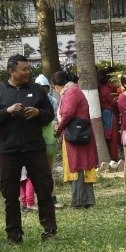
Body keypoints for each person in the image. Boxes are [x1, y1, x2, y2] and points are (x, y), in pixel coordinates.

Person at [0, 55, 58, 244]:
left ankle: (50, 231)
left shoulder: (36, 89)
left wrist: (38, 113)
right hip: (9, 150)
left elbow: (49, 115)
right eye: (23, 69)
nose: (27, 72)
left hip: (35, 148)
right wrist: (7, 111)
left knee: (44, 189)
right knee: (9, 193)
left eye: (28, 69)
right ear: (12, 71)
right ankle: (14, 235)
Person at [53, 71, 99, 209]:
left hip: (76, 135)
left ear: (57, 85)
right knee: (82, 166)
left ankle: (78, 202)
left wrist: (58, 129)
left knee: (77, 166)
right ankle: (87, 200)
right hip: (80, 133)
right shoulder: (74, 89)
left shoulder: (71, 91)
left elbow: (67, 114)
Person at [97, 70, 122, 167]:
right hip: (109, 113)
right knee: (112, 136)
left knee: (107, 135)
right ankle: (113, 157)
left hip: (102, 113)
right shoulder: (107, 90)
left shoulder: (98, 89)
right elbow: (113, 103)